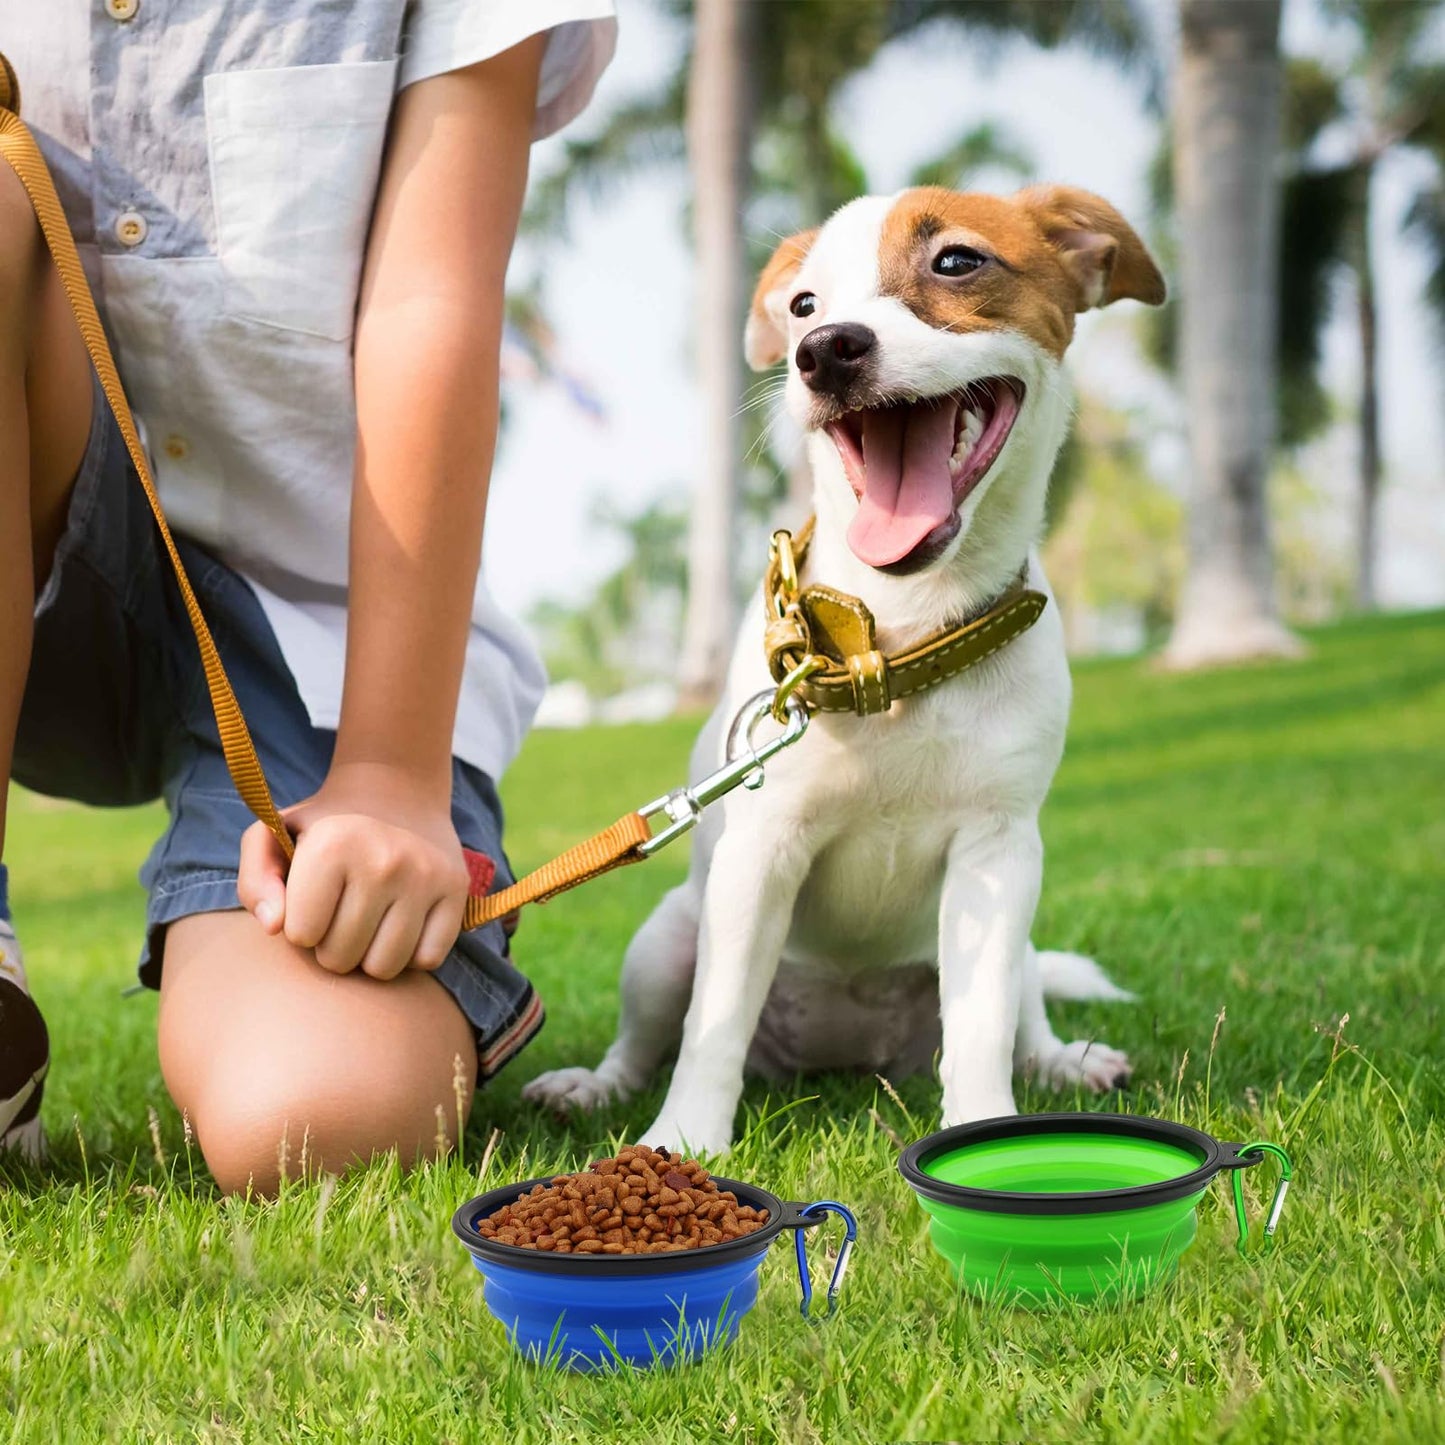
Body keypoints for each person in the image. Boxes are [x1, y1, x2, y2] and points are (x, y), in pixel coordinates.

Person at [0, 1, 616, 1193]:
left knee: (315, 1119)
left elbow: (429, 303)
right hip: (43, 543)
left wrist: (390, 777)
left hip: (320, 619)